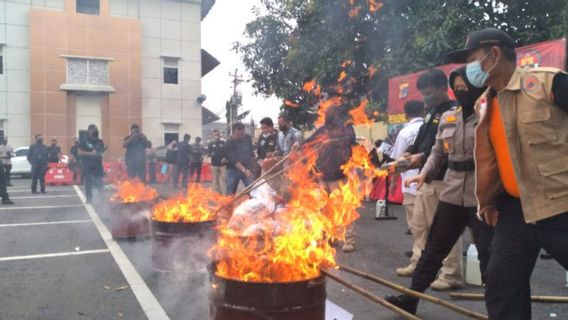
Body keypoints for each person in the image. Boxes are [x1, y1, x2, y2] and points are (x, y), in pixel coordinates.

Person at [448, 27, 568, 319]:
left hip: (560, 206)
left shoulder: (548, 83)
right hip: (515, 212)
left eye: (472, 58)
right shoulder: (485, 104)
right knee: (501, 286)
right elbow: (493, 160)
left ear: (494, 54)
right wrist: (487, 200)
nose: (467, 68)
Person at [385, 66, 495, 315]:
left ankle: (498, 309)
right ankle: (410, 299)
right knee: (433, 250)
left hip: (482, 193)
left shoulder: (490, 114)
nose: (460, 91)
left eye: (464, 87)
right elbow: (437, 152)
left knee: (490, 255)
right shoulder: (449, 117)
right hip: (452, 191)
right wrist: (424, 174)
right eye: (456, 87)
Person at [396, 69, 463, 290]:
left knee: (443, 229)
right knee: (419, 225)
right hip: (426, 178)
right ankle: (420, 264)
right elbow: (424, 139)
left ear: (444, 88)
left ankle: (451, 274)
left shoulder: (454, 112)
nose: (425, 98)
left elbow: (446, 148)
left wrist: (422, 157)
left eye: (429, 93)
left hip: (444, 178)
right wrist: (410, 153)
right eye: (423, 94)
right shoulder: (431, 112)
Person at [305, 106, 357, 252]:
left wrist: (330, 142)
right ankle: (330, 237)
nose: (327, 116)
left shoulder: (346, 128)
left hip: (339, 175)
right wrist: (300, 145)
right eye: (326, 114)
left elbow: (349, 140)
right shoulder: (323, 129)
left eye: (329, 114)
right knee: (324, 210)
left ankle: (349, 241)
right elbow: (311, 140)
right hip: (323, 175)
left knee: (343, 209)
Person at [389, 100, 424, 250]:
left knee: (416, 225)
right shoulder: (429, 127)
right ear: (423, 111)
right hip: (430, 182)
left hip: (411, 185)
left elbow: (398, 162)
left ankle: (419, 256)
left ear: (405, 115)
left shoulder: (404, 133)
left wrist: (393, 183)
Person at [224, 123, 256, 195]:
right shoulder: (229, 143)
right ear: (233, 132)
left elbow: (251, 154)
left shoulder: (247, 138)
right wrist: (244, 170)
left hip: (248, 168)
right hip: (233, 170)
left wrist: (253, 168)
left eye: (242, 134)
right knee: (230, 192)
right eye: (238, 135)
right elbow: (234, 160)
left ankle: (255, 205)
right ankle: (228, 206)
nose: (241, 137)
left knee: (253, 191)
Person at [78, 124, 105, 204]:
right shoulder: (84, 141)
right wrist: (90, 153)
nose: (95, 131)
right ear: (89, 131)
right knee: (88, 181)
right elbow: (80, 152)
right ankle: (89, 198)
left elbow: (101, 151)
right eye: (93, 129)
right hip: (87, 164)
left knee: (100, 181)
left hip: (98, 164)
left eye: (96, 129)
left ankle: (102, 197)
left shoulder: (100, 141)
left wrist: (102, 152)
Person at [207, 130, 227, 194]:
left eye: (217, 134)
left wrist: (225, 158)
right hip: (214, 165)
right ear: (213, 136)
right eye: (215, 135)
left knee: (225, 180)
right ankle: (219, 195)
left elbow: (228, 152)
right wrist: (211, 154)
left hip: (223, 165)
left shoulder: (223, 143)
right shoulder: (210, 144)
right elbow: (208, 154)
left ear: (219, 135)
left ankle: (226, 195)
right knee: (216, 181)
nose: (216, 136)